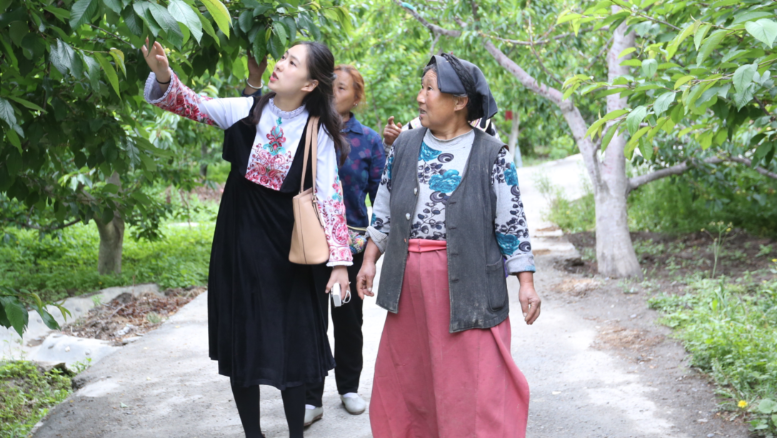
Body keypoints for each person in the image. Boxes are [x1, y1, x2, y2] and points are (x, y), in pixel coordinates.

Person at [142, 40, 352, 438]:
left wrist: (339, 262)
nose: (280, 65)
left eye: (292, 63)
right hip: (239, 242)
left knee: (293, 346)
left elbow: (330, 196)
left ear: (309, 84)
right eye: (283, 57)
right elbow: (189, 103)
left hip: (290, 252)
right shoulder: (245, 109)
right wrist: (164, 76)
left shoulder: (318, 130)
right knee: (243, 340)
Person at [356, 52, 541, 438]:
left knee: (472, 382)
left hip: (469, 284)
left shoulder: (492, 154)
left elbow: (511, 223)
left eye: (430, 89)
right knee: (411, 379)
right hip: (409, 287)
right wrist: (370, 259)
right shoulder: (404, 146)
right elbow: (385, 208)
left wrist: (525, 283)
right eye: (421, 88)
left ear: (460, 102)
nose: (420, 97)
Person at [304, 65, 386, 425]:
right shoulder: (307, 130)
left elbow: (381, 199)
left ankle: (349, 388)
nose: (333, 93)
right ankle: (310, 397)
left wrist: (373, 252)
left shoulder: (368, 140)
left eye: (341, 88)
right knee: (310, 321)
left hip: (351, 247)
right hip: (308, 242)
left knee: (349, 321)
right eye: (329, 87)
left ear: (356, 97)